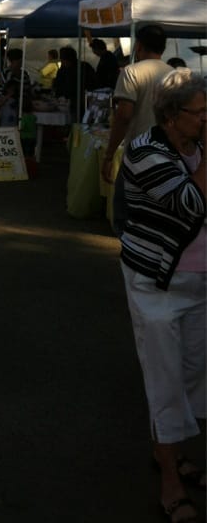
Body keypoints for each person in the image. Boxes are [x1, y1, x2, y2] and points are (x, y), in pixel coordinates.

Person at [118, 69, 206, 522]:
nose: (206, 119)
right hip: (157, 283)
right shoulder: (144, 151)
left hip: (200, 284)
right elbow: (191, 203)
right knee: (166, 380)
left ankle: (172, 451)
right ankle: (170, 482)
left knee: (193, 375)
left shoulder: (197, 147)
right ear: (172, 116)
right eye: (200, 112)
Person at [102, 24, 171, 231]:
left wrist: (109, 155)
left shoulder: (131, 72)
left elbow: (123, 116)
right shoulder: (175, 75)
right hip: (168, 154)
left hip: (137, 155)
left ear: (138, 46)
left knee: (125, 218)